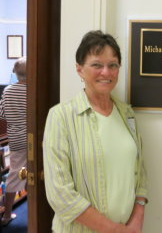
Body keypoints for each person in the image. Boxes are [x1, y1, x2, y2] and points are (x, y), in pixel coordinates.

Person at [43, 30, 148, 233]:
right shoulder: (61, 117)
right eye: (96, 65)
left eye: (113, 65)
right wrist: (115, 230)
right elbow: (60, 194)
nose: (106, 72)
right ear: (80, 69)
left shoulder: (127, 114)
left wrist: (137, 218)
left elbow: (140, 171)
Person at [0, 56, 27, 226]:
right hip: (34, 138)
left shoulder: (8, 90)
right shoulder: (33, 90)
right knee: (34, 174)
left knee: (14, 174)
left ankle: (6, 215)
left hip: (16, 139)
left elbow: (2, 115)